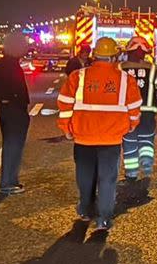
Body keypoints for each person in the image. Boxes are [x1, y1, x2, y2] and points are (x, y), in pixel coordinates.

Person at [57, 37, 142, 231]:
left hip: (83, 137)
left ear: (94, 55)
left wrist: (66, 129)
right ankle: (103, 218)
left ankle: (85, 210)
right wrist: (131, 125)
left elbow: (65, 104)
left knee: (85, 175)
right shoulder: (125, 80)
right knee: (108, 177)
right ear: (115, 57)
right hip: (111, 138)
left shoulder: (78, 77)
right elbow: (135, 108)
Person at [119, 37, 157, 180]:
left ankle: (131, 172)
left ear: (128, 51)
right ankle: (146, 162)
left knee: (129, 141)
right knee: (146, 139)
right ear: (145, 53)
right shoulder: (153, 68)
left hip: (126, 112)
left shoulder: (119, 68)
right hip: (147, 111)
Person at [0, 33, 30, 194]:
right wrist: (12, 102)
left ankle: (10, 180)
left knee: (12, 145)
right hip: (13, 111)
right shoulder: (8, 65)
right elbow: (7, 90)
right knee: (13, 145)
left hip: (11, 109)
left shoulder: (6, 63)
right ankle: (7, 182)